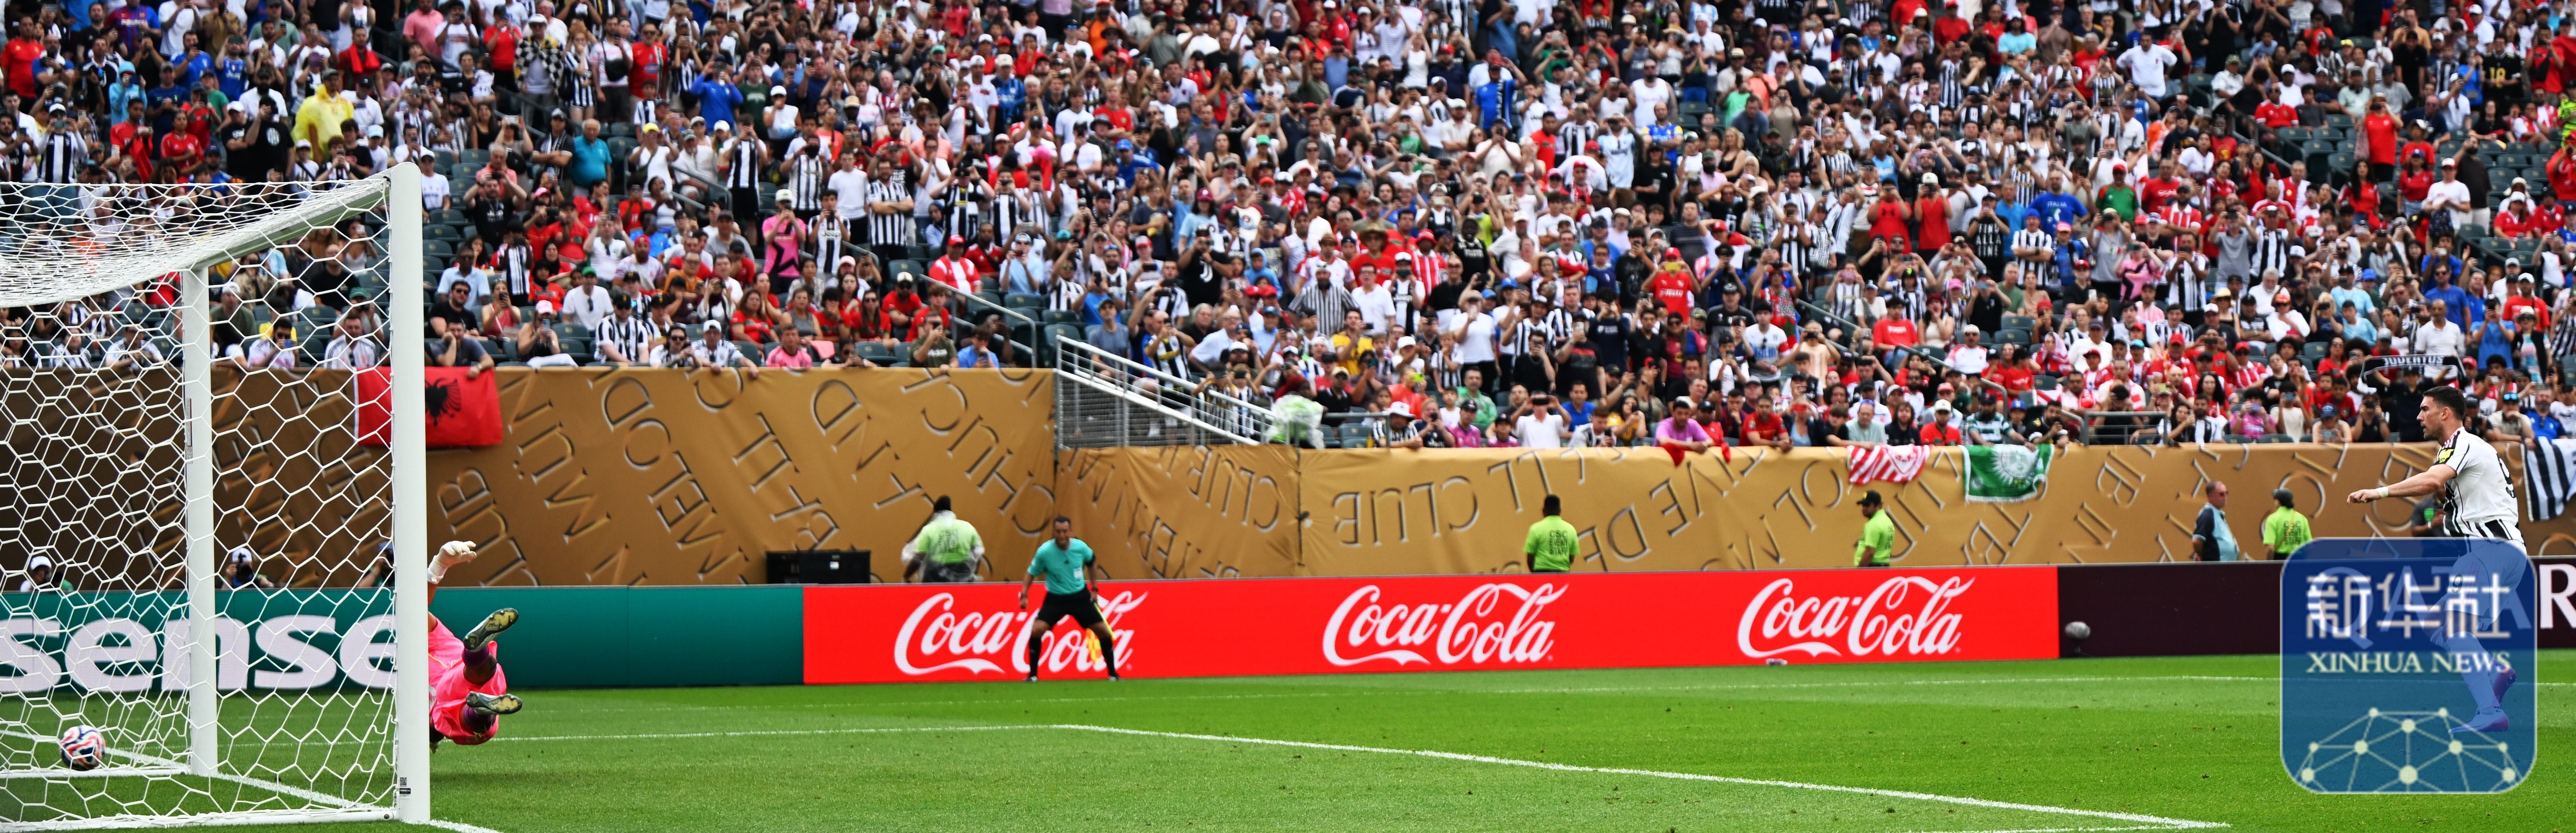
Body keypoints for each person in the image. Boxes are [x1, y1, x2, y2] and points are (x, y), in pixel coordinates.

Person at [2346, 385, 2524, 733]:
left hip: (2487, 549)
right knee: (2432, 623)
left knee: (2456, 628)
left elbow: (2431, 481)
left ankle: (2489, 710)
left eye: (2424, 409)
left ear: (2445, 413)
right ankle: (2494, 670)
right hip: (2503, 551)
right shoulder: (2467, 448)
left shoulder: (2463, 442)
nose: (2418, 416)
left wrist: (2378, 492)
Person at [423, 540, 524, 747]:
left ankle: (480, 712)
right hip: (460, 665)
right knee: (480, 670)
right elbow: (414, 607)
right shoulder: (437, 640)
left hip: (445, 698)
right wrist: (439, 564)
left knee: (466, 722)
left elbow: (432, 732)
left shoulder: (418, 698)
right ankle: (477, 652)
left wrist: (441, 563)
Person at [1017, 516, 1116, 681]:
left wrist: (1095, 589)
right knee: (1037, 630)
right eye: (1058, 531)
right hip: (1056, 598)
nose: (1062, 535)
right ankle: (1033, 675)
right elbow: (1031, 573)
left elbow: (1091, 563)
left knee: (1104, 632)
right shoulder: (1045, 552)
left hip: (1080, 597)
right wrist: (1025, 595)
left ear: (1071, 531)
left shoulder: (1081, 547)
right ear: (1053, 532)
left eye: (1065, 531)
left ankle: (1113, 674)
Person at [901, 495, 983, 583]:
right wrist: (974, 574)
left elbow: (919, 557)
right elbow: (977, 553)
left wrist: (906, 577)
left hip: (935, 576)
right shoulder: (967, 527)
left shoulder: (929, 530)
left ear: (935, 512)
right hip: (963, 574)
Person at [1524, 494, 1577, 573]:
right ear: (1560, 510)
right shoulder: (1571, 530)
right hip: (1563, 574)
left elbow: (1530, 558)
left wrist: (1536, 574)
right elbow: (1571, 558)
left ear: (1544, 510)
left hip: (1541, 574)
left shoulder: (1536, 529)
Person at [2191, 482, 2239, 562]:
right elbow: (2197, 541)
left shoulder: (2217, 514)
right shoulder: (2208, 515)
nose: (2225, 497)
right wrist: (2201, 556)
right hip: (2216, 568)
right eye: (2221, 494)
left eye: (2226, 493)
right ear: (2211, 496)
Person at [2261, 488, 2312, 560]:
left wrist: (2269, 566)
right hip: (2299, 561)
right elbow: (2310, 546)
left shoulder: (2273, 519)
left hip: (2280, 561)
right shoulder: (2302, 519)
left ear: (2278, 502)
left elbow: (2270, 548)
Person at [1853, 490, 1895, 567]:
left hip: (1872, 567)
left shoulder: (1874, 524)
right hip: (1884, 566)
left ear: (1879, 506)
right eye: (1863, 505)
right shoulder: (1887, 521)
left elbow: (1870, 553)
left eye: (1868, 505)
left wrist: (1859, 573)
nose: (1864, 508)